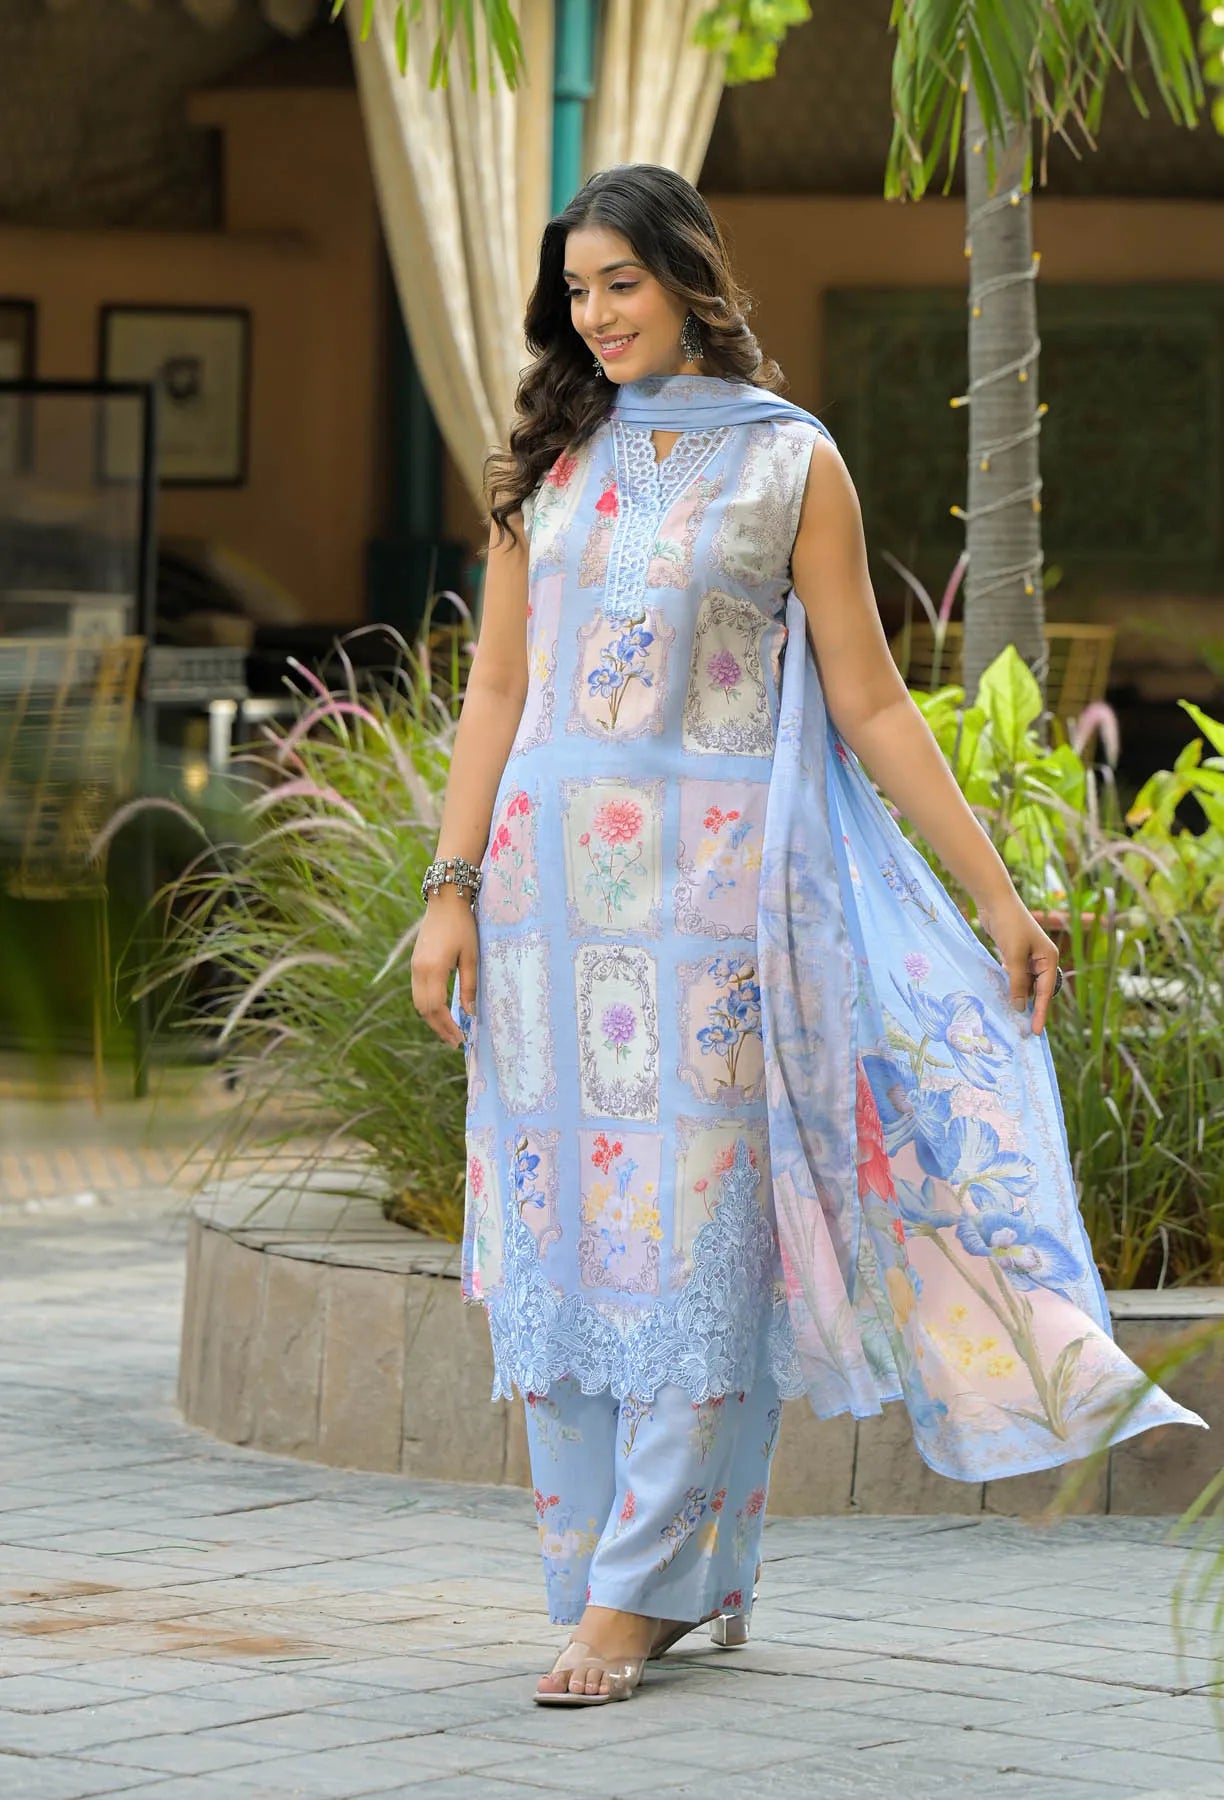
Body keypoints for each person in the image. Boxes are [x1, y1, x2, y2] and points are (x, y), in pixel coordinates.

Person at [411, 163, 1203, 1708]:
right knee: (566, 1239)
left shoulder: (789, 466)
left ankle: (635, 1600)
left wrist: (989, 891)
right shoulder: (552, 465)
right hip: (549, 918)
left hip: (718, 915)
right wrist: (448, 893)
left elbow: (868, 699)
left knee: (700, 1244)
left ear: (690, 280)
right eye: (575, 292)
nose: (595, 315)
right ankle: (628, 1577)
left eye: (619, 283)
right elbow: (497, 692)